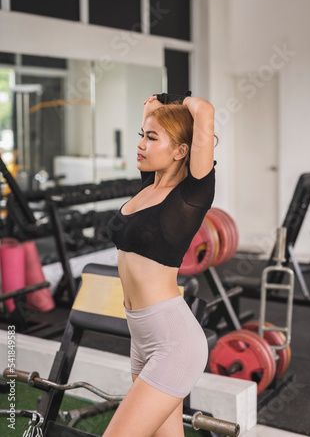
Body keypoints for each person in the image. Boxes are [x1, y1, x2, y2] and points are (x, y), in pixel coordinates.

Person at [104, 92, 216, 437]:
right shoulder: (148, 186)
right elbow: (151, 108)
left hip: (174, 341)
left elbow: (204, 111)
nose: (141, 144)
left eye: (151, 138)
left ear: (181, 150)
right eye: (142, 136)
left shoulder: (191, 195)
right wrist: (157, 109)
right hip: (141, 338)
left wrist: (178, 100)